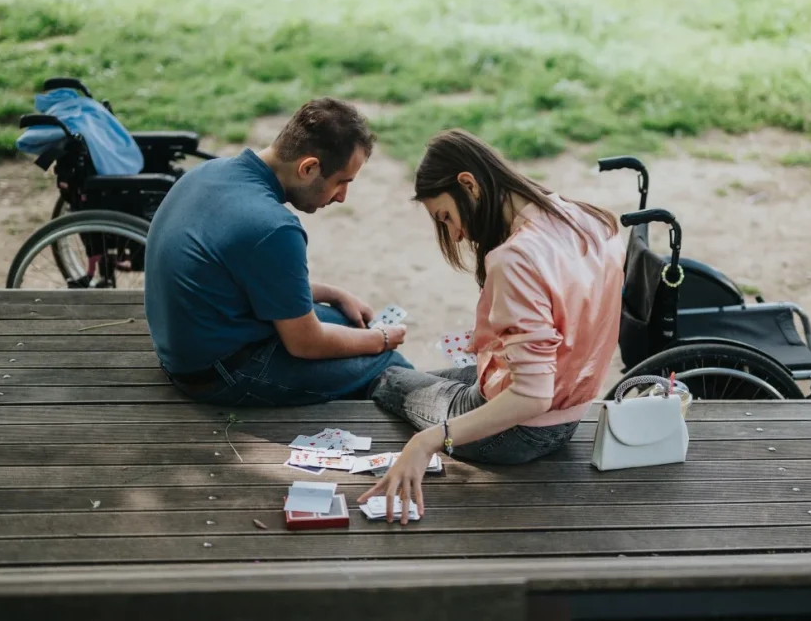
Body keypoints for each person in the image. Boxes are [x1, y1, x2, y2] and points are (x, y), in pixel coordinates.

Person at [359, 128, 626, 523]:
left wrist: (426, 442)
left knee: (390, 379)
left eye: (446, 217)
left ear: (468, 184)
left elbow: (532, 397)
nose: (457, 233)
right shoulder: (587, 219)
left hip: (518, 433)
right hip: (571, 413)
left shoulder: (515, 258)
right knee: (433, 378)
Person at [144, 97, 411, 406]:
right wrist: (382, 340)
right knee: (389, 367)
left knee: (350, 323)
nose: (342, 197)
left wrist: (333, 294)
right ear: (308, 168)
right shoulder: (273, 227)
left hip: (188, 349)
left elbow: (245, 280)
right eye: (341, 182)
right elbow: (305, 343)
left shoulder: (208, 173)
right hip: (217, 374)